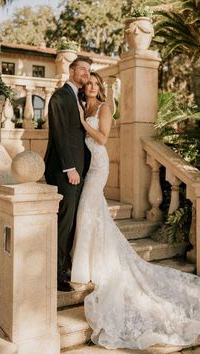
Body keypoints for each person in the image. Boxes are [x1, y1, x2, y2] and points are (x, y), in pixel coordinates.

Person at [71, 72, 200, 350]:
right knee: (91, 213)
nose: (91, 87)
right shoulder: (85, 106)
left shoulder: (104, 108)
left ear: (100, 88)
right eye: (88, 84)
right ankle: (88, 262)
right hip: (86, 165)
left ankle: (93, 265)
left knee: (89, 209)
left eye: (95, 83)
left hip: (99, 165)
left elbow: (103, 139)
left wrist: (83, 123)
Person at [44, 56, 92, 292]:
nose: (86, 73)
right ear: (71, 71)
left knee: (72, 221)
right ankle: (56, 276)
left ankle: (66, 267)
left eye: (88, 70)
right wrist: (69, 168)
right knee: (65, 222)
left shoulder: (79, 97)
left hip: (78, 169)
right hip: (66, 170)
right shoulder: (60, 96)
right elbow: (61, 133)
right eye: (82, 68)